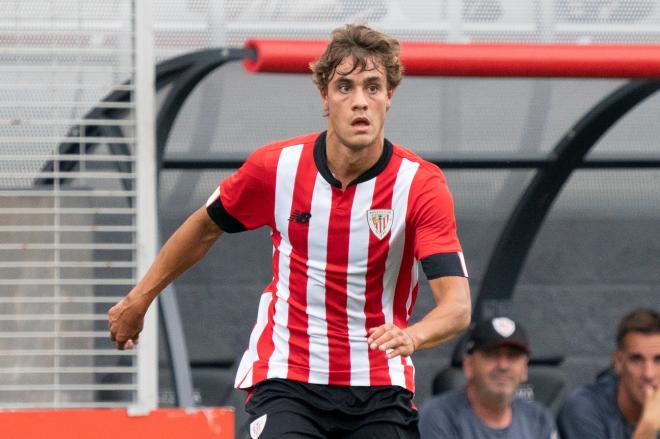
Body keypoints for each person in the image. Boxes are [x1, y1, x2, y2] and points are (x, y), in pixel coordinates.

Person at [108, 24, 471, 438]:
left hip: (379, 384)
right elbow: (204, 227)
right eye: (345, 87)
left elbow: (457, 306)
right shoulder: (275, 168)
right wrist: (138, 300)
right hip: (287, 378)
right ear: (324, 96)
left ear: (390, 96)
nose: (360, 103)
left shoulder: (420, 184)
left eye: (373, 87)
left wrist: (413, 335)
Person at [419, 317, 559, 438]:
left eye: (512, 357)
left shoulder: (538, 418)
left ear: (524, 369)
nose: (503, 366)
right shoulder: (438, 416)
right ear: (469, 365)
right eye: (492, 355)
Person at [557, 308, 660, 439]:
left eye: (658, 360)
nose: (648, 374)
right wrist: (648, 427)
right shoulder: (584, 408)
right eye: (636, 360)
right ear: (618, 362)